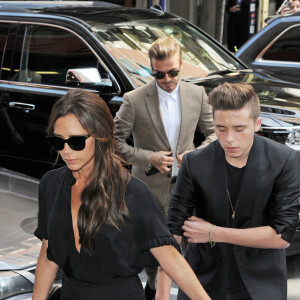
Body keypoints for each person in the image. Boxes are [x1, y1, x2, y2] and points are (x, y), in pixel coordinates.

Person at [32, 89, 211, 300]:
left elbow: (171, 260)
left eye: (77, 142)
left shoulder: (133, 193)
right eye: (58, 141)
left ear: (101, 136)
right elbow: (47, 255)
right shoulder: (50, 185)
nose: (66, 151)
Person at [157, 82, 300, 300]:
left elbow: (282, 235)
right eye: (220, 129)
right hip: (201, 280)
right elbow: (174, 228)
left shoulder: (284, 161)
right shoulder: (195, 162)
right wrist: (162, 291)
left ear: (257, 124)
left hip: (261, 283)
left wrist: (213, 233)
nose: (229, 138)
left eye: (239, 129)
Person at [114, 37, 216, 298]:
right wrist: (149, 157)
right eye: (159, 74)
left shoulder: (197, 94)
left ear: (182, 65)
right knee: (154, 254)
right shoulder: (134, 99)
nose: (167, 78)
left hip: (187, 187)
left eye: (173, 72)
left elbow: (214, 133)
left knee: (183, 250)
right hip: (148, 190)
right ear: (151, 69)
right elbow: (114, 142)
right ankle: (153, 291)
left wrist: (194, 154)